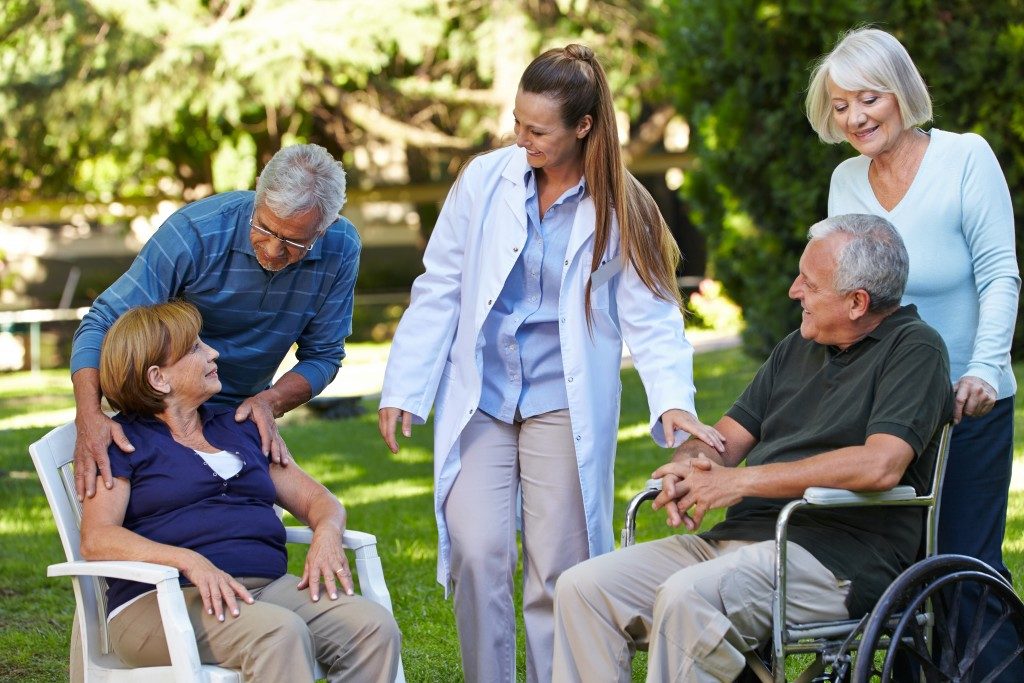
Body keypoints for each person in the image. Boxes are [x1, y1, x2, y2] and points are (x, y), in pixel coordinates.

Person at [377, 44, 723, 682]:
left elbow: (651, 314)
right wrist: (405, 385)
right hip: (483, 396)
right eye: (517, 123)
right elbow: (440, 285)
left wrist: (673, 399)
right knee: (478, 552)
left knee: (556, 565)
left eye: (538, 130)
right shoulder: (484, 181)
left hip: (559, 403)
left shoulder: (623, 204)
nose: (522, 139)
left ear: (583, 128)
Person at [551, 215, 955, 682]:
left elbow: (881, 464)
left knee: (687, 599)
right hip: (737, 544)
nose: (793, 290)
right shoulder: (795, 349)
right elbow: (723, 442)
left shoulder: (915, 349)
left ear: (857, 302)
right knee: (584, 588)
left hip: (835, 558)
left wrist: (740, 481)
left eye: (809, 282)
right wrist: (690, 468)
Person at [80, 300, 400, 681]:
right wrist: (188, 560)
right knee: (278, 634)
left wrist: (327, 534)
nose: (213, 352)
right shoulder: (122, 442)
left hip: (265, 589)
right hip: (164, 602)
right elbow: (97, 538)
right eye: (196, 348)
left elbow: (319, 500)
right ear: (158, 378)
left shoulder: (240, 425)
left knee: (372, 627)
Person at [70, 143, 360, 501]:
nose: (272, 251)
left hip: (242, 420)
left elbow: (324, 356)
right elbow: (100, 322)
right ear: (258, 195)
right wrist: (88, 414)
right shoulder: (194, 233)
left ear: (324, 228)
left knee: (250, 524)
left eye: (293, 242)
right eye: (265, 229)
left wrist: (270, 402)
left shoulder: (341, 247)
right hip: (162, 416)